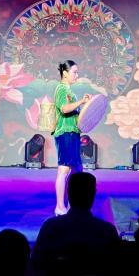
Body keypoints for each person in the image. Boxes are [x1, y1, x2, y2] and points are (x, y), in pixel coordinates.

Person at [52, 60, 91, 216]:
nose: (77, 75)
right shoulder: (61, 89)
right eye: (74, 72)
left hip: (72, 133)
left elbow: (75, 114)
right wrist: (81, 101)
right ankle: (60, 207)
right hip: (65, 132)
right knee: (64, 169)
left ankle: (71, 206)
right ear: (65, 73)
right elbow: (64, 108)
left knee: (77, 169)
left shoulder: (69, 91)